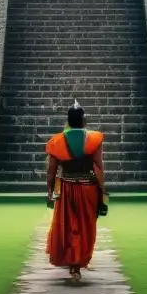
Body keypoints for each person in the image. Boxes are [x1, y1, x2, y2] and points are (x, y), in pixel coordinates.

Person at [45, 100, 107, 282]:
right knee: (85, 225)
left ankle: (74, 263)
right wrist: (102, 190)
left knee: (68, 225)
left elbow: (51, 171)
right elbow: (99, 167)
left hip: (67, 188)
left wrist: (49, 191)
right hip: (88, 188)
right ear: (83, 120)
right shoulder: (94, 139)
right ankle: (79, 261)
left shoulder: (56, 141)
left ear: (68, 121)